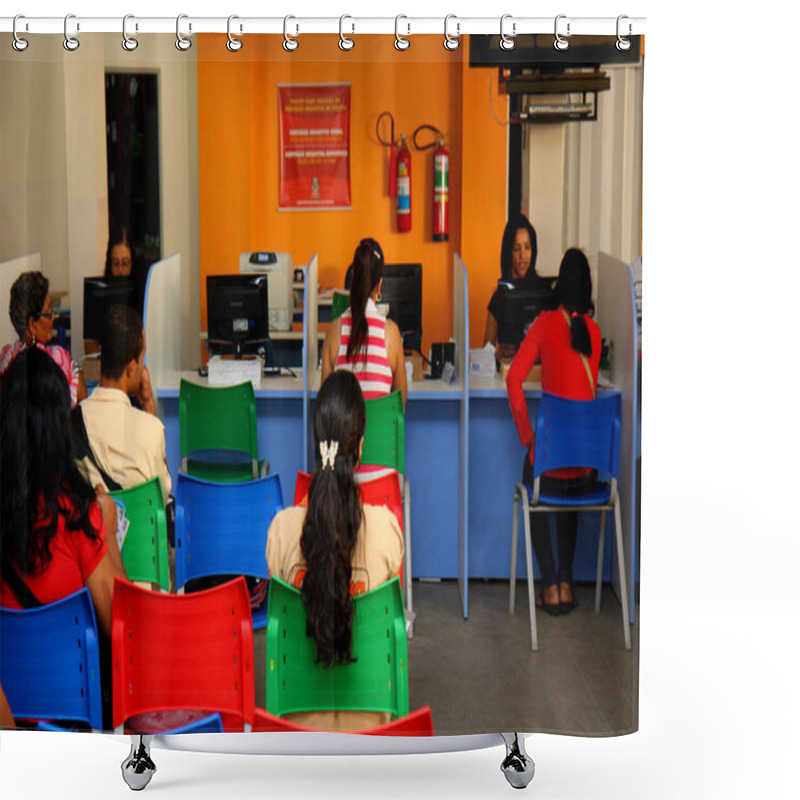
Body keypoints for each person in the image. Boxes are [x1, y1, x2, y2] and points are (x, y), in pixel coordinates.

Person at [266, 370, 404, 731]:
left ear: (316, 442)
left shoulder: (280, 531)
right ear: (360, 446)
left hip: (298, 740)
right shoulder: (387, 530)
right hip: (371, 739)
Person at [0, 347, 126, 639]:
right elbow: (120, 629)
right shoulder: (75, 513)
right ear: (58, 428)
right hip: (74, 684)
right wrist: (108, 534)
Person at [506, 248, 601, 617]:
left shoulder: (545, 324)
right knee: (570, 467)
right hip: (587, 475)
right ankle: (566, 582)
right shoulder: (593, 332)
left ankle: (548, 584)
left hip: (550, 471)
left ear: (559, 284)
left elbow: (514, 378)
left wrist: (527, 434)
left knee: (537, 474)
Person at [75, 305, 171, 499]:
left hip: (96, 528)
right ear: (131, 366)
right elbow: (162, 494)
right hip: (141, 530)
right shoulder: (152, 431)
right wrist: (149, 407)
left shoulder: (72, 422)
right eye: (142, 357)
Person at [321, 238, 407, 407]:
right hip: (381, 434)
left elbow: (326, 404)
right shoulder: (391, 333)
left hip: (344, 433)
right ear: (379, 285)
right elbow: (399, 405)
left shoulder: (334, 331)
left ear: (353, 279)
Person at [0, 271, 86, 406]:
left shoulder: (5, 357)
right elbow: (79, 397)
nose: (53, 317)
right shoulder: (57, 359)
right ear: (32, 324)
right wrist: (76, 369)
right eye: (48, 312)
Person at [483, 214, 552, 349]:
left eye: (527, 247)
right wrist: (497, 355)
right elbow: (486, 352)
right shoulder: (499, 297)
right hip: (509, 368)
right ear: (509, 252)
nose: (523, 256)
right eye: (517, 249)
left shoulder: (543, 293)